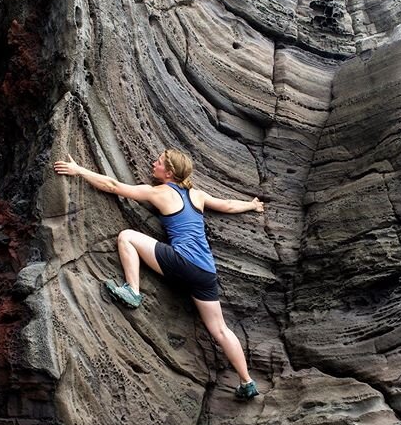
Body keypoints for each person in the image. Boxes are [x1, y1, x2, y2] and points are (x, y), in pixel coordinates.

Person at [53, 149, 264, 400]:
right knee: (220, 329)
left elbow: (112, 185)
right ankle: (247, 381)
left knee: (127, 237)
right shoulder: (197, 195)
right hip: (206, 272)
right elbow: (227, 205)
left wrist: (79, 170)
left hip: (181, 263)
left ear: (170, 172)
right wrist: (251, 206)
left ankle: (132, 291)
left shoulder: (160, 193)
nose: (154, 163)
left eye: (159, 162)